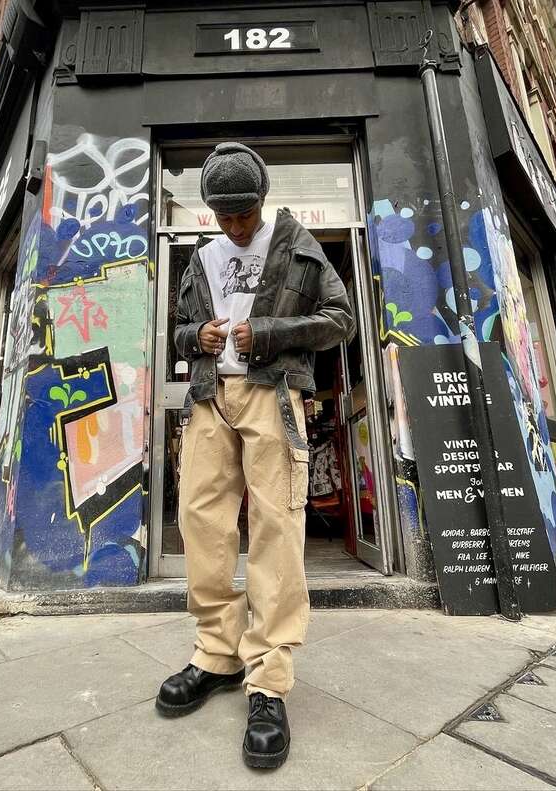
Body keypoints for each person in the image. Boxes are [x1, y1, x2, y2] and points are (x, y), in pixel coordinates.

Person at [156, 142, 354, 769]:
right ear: (210, 209)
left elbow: (340, 319)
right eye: (224, 215)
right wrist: (199, 337)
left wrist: (266, 333)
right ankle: (217, 652)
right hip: (212, 398)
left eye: (243, 214)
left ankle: (268, 679)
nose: (235, 226)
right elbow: (179, 330)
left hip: (274, 395)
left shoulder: (297, 245)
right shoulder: (201, 256)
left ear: (262, 202)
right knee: (202, 521)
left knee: (277, 528)